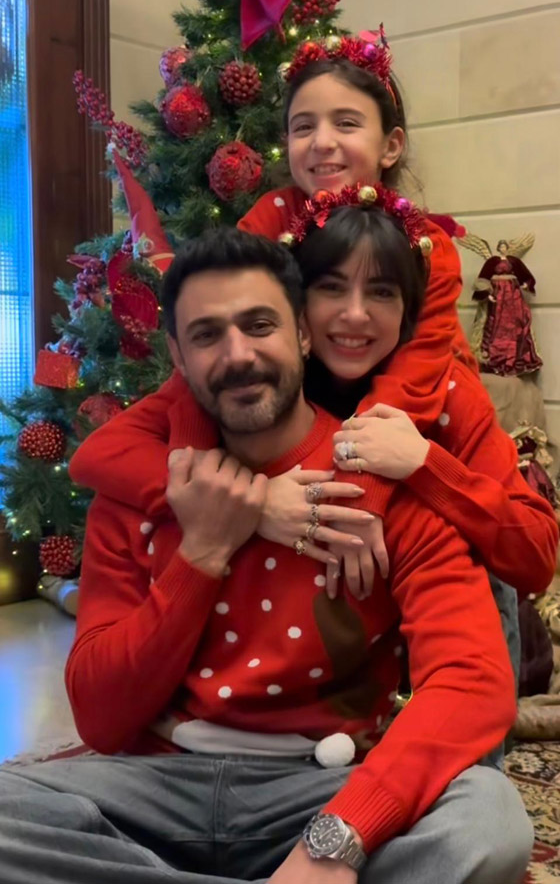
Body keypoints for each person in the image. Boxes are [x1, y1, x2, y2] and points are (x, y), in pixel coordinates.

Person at [0, 227, 532, 884]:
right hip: (155, 783)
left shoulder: (379, 481)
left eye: (259, 325)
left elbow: (472, 681)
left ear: (303, 334)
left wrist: (337, 842)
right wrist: (203, 551)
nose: (238, 355)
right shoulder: (140, 493)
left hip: (323, 785)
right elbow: (103, 720)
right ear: (178, 356)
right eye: (207, 335)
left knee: (489, 818)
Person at [69, 30, 476, 538]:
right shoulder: (272, 218)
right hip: (289, 414)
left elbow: (410, 387)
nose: (322, 142)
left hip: (392, 430)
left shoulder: (425, 245)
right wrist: (233, 498)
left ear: (391, 145)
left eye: (346, 123)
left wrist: (361, 495)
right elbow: (211, 339)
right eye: (303, 126)